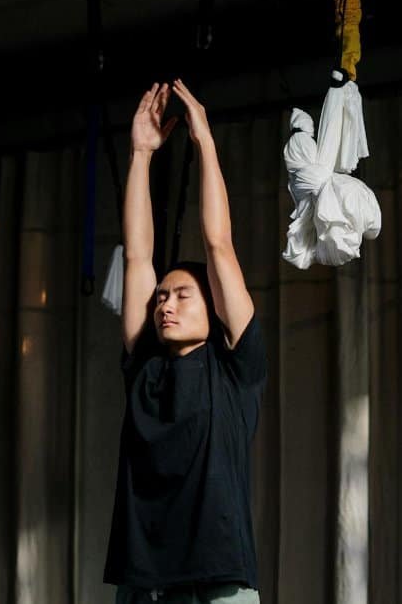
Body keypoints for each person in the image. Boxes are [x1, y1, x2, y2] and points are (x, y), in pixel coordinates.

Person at [104, 80, 267, 604]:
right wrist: (140, 155)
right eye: (161, 298)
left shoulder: (235, 369)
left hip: (217, 580)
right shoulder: (145, 365)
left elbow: (218, 242)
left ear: (214, 309)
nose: (165, 304)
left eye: (182, 295)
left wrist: (205, 144)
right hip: (143, 582)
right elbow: (136, 256)